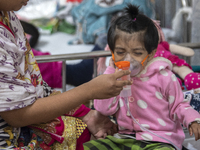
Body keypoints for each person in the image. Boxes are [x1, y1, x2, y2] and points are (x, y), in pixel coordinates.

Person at [0, 0, 132, 149]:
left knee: (82, 130)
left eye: (138, 52)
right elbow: (18, 115)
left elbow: (34, 84)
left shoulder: (8, 15)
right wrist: (89, 91)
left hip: (21, 121)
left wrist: (85, 113)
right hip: (12, 135)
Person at [84, 4, 200, 150]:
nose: (128, 59)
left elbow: (179, 105)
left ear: (150, 54)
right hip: (124, 138)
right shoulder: (114, 77)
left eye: (137, 53)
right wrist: (110, 72)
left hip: (159, 140)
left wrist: (192, 120)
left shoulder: (164, 77)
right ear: (112, 52)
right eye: (120, 52)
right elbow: (104, 110)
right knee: (89, 147)